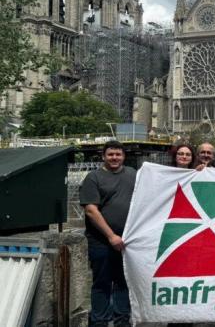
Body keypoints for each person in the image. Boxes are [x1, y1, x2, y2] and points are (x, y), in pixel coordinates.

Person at [79, 140, 136, 327]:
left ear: (124, 156)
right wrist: (111, 236)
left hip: (126, 242)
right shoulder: (93, 177)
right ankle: (99, 322)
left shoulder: (132, 174)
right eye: (110, 154)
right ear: (103, 156)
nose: (114, 158)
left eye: (118, 154)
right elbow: (90, 210)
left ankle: (122, 322)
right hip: (101, 242)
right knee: (102, 284)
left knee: (123, 283)